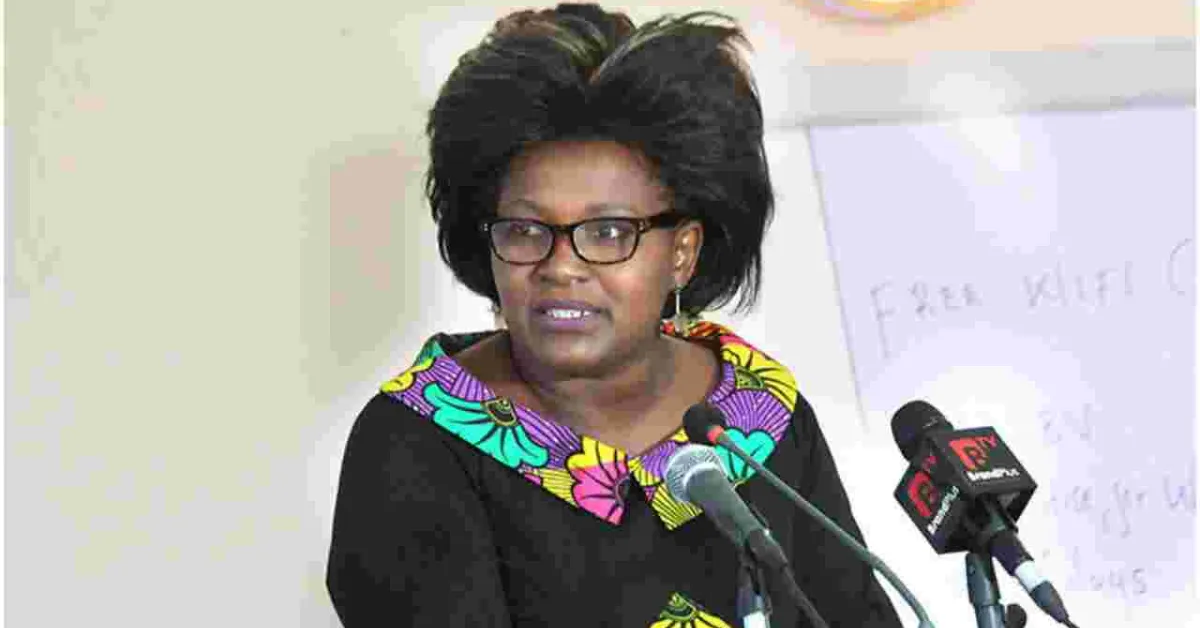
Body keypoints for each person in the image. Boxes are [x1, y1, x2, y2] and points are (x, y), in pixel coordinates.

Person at [325, 4, 903, 627]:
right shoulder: (418, 441)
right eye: (525, 229)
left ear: (682, 251)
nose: (560, 267)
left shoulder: (755, 414)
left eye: (607, 232)